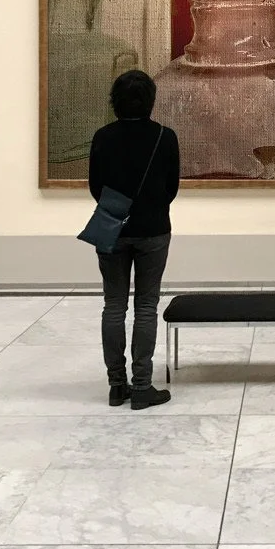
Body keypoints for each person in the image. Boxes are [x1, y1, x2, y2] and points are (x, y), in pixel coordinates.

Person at [88, 69, 181, 409]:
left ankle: (116, 386)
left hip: (112, 227)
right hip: (154, 228)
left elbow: (95, 187)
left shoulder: (103, 136)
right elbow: (171, 187)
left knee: (113, 305)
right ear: (151, 101)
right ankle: (142, 385)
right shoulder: (164, 137)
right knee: (146, 306)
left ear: (114, 101)